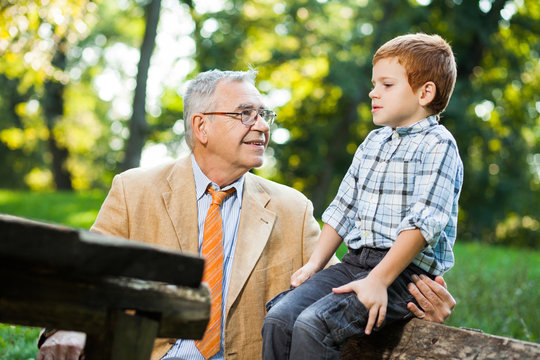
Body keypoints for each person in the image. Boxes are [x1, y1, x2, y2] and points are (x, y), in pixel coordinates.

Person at [37, 68, 456, 360]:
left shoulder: (293, 209)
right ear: (201, 127)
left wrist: (421, 313)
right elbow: (86, 277)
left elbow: (346, 294)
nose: (261, 126)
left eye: (263, 114)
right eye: (244, 114)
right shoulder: (134, 190)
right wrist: (67, 327)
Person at [262, 33, 463, 360]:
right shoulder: (373, 142)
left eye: (386, 85)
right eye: (374, 84)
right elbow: (344, 207)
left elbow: (423, 224)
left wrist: (379, 281)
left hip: (401, 274)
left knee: (314, 326)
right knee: (279, 318)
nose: (373, 92)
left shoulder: (439, 146)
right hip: (355, 262)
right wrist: (314, 264)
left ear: (425, 92)